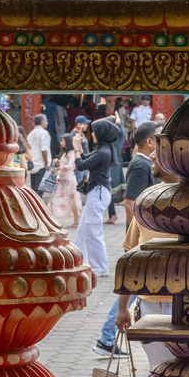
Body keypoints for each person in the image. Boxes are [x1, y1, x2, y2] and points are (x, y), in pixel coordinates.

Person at [115, 122, 177, 377]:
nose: (152, 153)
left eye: (161, 148)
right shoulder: (147, 202)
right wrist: (123, 308)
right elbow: (131, 260)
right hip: (152, 306)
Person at [76, 117, 125, 357]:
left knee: (93, 232)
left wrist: (77, 147)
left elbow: (81, 165)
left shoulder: (103, 151)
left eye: (94, 132)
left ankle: (100, 266)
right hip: (97, 192)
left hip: (97, 193)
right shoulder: (104, 150)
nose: (91, 135)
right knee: (84, 230)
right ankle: (80, 260)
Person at [48, 134, 82, 226]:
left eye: (63, 140)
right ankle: (50, 220)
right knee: (53, 198)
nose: (61, 142)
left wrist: (58, 168)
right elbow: (64, 163)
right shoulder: (63, 152)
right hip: (61, 178)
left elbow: (70, 166)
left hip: (69, 179)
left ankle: (76, 220)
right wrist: (58, 162)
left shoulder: (71, 153)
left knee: (73, 199)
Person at [28, 113, 52, 193]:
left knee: (33, 189)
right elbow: (44, 149)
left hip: (33, 164)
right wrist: (46, 163)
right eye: (46, 121)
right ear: (42, 122)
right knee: (39, 190)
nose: (47, 123)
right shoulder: (44, 133)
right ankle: (36, 205)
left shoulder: (31, 133)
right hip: (41, 164)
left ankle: (32, 205)